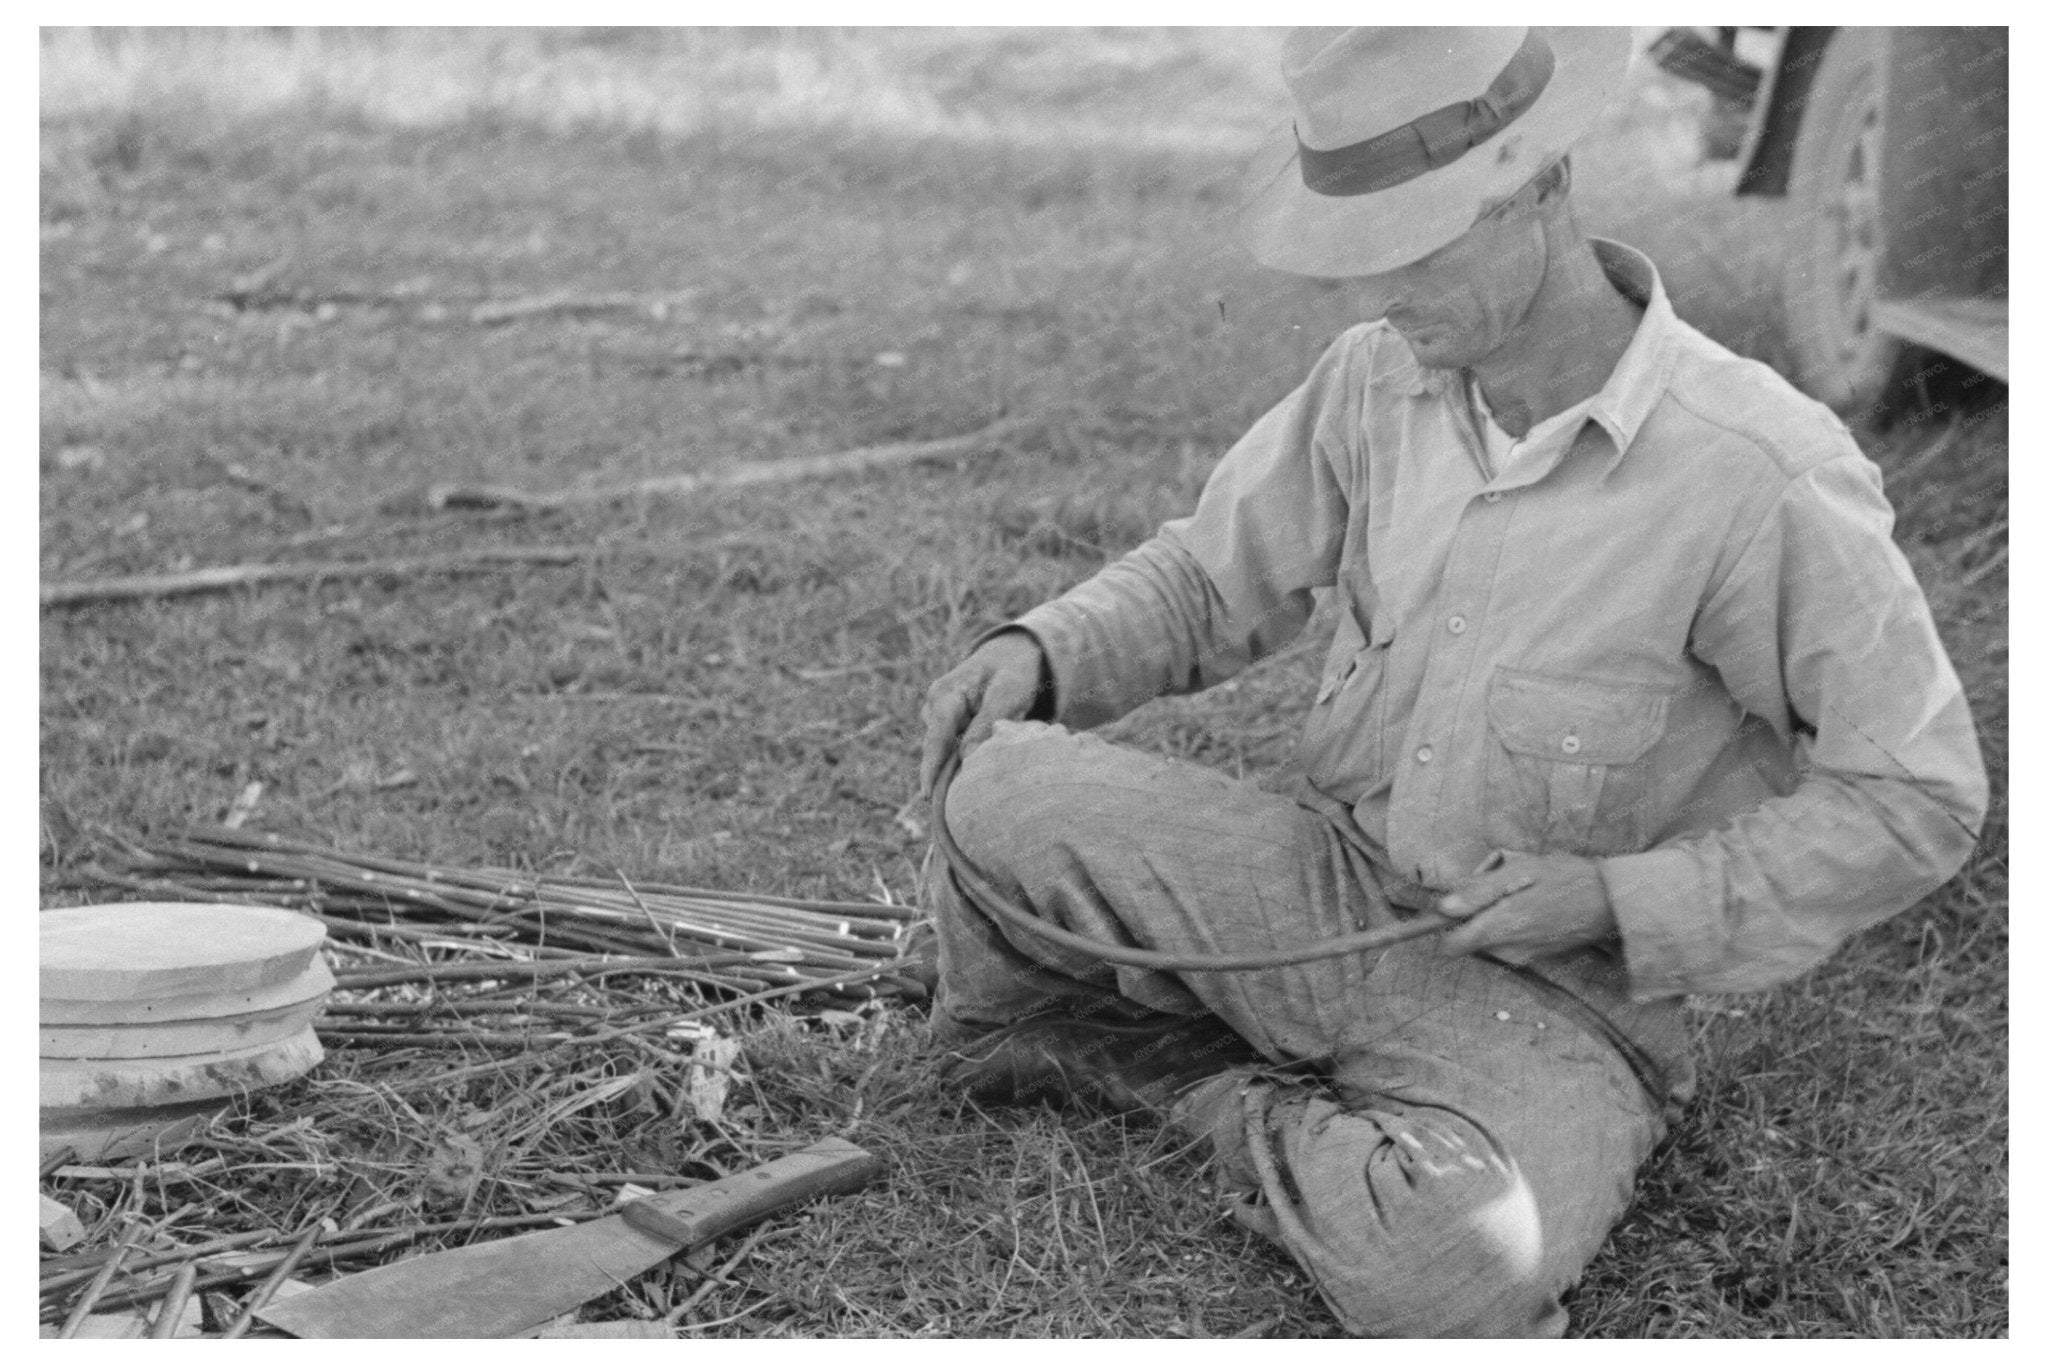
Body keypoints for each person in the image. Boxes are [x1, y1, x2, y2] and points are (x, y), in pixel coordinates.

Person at [915, 28, 1986, 1338]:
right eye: (1354, 252)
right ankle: (1253, 1070)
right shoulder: (1378, 380)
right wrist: (1044, 651)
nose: (1376, 297)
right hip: (1322, 886)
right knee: (998, 785)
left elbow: (1916, 793)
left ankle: (1165, 1067)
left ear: (1540, 187)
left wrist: (1612, 896)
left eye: (1410, 245)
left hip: (1555, 1008)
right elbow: (1209, 577)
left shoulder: (1762, 472)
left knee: (1458, 1259)